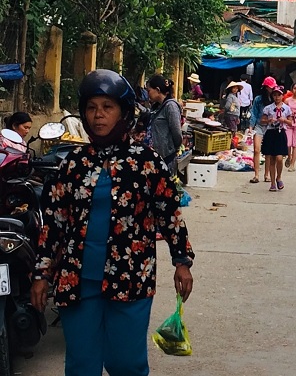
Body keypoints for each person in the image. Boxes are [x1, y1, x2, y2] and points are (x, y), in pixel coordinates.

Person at [30, 69, 194, 376]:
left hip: (130, 278)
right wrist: (42, 273)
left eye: (107, 107)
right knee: (81, 365)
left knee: (126, 364)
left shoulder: (146, 162)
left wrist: (181, 261)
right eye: (91, 108)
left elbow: (169, 213)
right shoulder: (73, 164)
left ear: (123, 112)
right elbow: (54, 222)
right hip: (77, 280)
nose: (98, 116)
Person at [147, 74, 183, 172]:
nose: (147, 94)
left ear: (158, 90)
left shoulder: (170, 106)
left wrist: (172, 149)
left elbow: (177, 133)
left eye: (149, 90)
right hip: (156, 157)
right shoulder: (157, 107)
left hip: (166, 157)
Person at [260, 87, 292, 191]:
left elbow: (291, 122)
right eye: (275, 95)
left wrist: (284, 120)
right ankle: (273, 182)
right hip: (271, 133)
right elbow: (262, 121)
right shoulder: (268, 108)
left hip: (280, 132)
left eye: (279, 95)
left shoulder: (286, 108)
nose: (277, 97)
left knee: (279, 158)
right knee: (272, 159)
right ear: (272, 96)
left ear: (282, 96)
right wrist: (268, 120)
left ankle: (279, 177)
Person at [248, 76, 276, 183]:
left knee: (268, 152)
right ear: (265, 87)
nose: (272, 89)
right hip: (259, 126)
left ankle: (267, 174)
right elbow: (254, 113)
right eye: (270, 87)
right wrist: (251, 126)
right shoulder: (258, 99)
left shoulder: (275, 98)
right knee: (256, 150)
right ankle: (256, 175)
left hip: (270, 127)